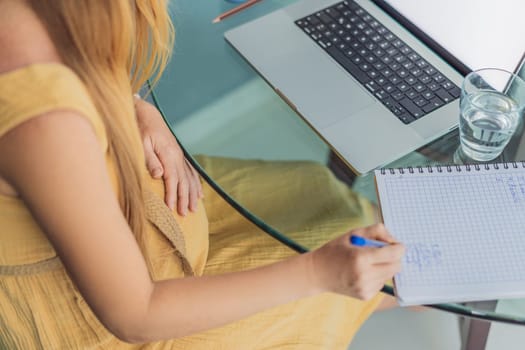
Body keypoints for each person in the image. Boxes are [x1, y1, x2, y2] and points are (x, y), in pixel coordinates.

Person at [0, 0, 405, 349]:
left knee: (319, 192)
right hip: (126, 324)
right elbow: (134, 315)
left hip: (143, 197)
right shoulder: (42, 121)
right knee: (333, 279)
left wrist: (134, 105)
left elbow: (75, 54)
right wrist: (318, 273)